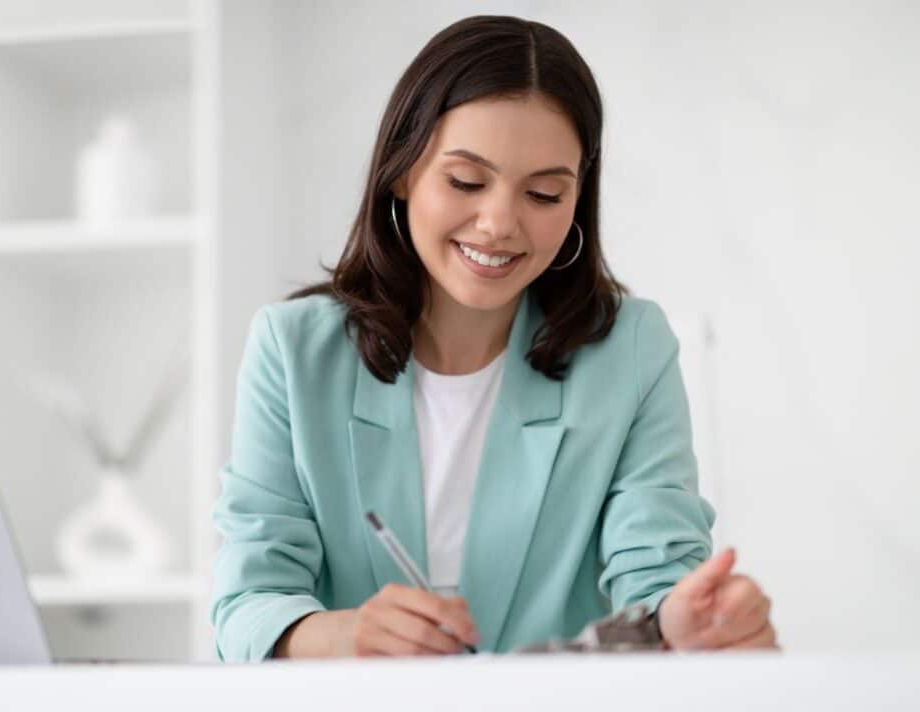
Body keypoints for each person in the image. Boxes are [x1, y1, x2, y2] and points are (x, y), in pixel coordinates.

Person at [209, 15, 777, 662]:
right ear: (401, 170)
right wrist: (345, 635)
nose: (499, 224)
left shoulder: (632, 350)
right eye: (466, 182)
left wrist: (686, 619)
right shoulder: (292, 352)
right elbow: (246, 603)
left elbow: (657, 577)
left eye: (543, 193)